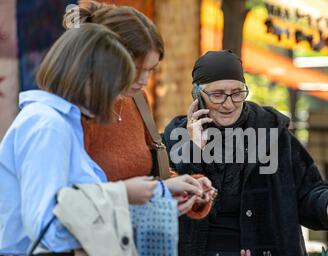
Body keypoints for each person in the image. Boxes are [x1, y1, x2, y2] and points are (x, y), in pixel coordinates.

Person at [0, 24, 204, 256]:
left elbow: (78, 205)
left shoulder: (61, 123)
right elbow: (50, 227)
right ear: (88, 77)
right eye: (117, 83)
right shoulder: (48, 125)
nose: (119, 96)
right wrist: (123, 195)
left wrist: (161, 192)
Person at [163, 50, 328, 256]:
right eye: (217, 95)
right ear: (197, 95)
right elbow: (168, 198)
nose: (228, 103)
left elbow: (309, 189)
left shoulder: (272, 134)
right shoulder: (174, 139)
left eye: (237, 93)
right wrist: (194, 149)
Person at [62, 1, 215, 216]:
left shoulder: (137, 101)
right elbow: (62, 199)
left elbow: (150, 181)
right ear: (107, 59)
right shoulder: (71, 112)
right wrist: (127, 194)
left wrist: (187, 188)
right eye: (136, 69)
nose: (144, 80)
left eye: (150, 70)